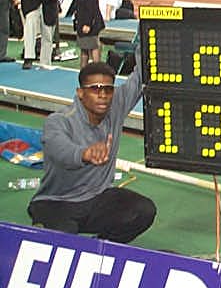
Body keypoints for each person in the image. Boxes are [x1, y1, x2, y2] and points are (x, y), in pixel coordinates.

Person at [28, 46, 156, 243]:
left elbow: (141, 76)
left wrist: (145, 32)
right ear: (80, 93)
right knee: (65, 245)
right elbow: (61, 151)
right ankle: (44, 228)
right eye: (95, 89)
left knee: (144, 211)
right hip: (56, 202)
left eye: (108, 89)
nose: (103, 95)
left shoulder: (115, 105)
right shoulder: (59, 121)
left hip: (97, 198)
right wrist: (85, 154)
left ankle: (101, 245)